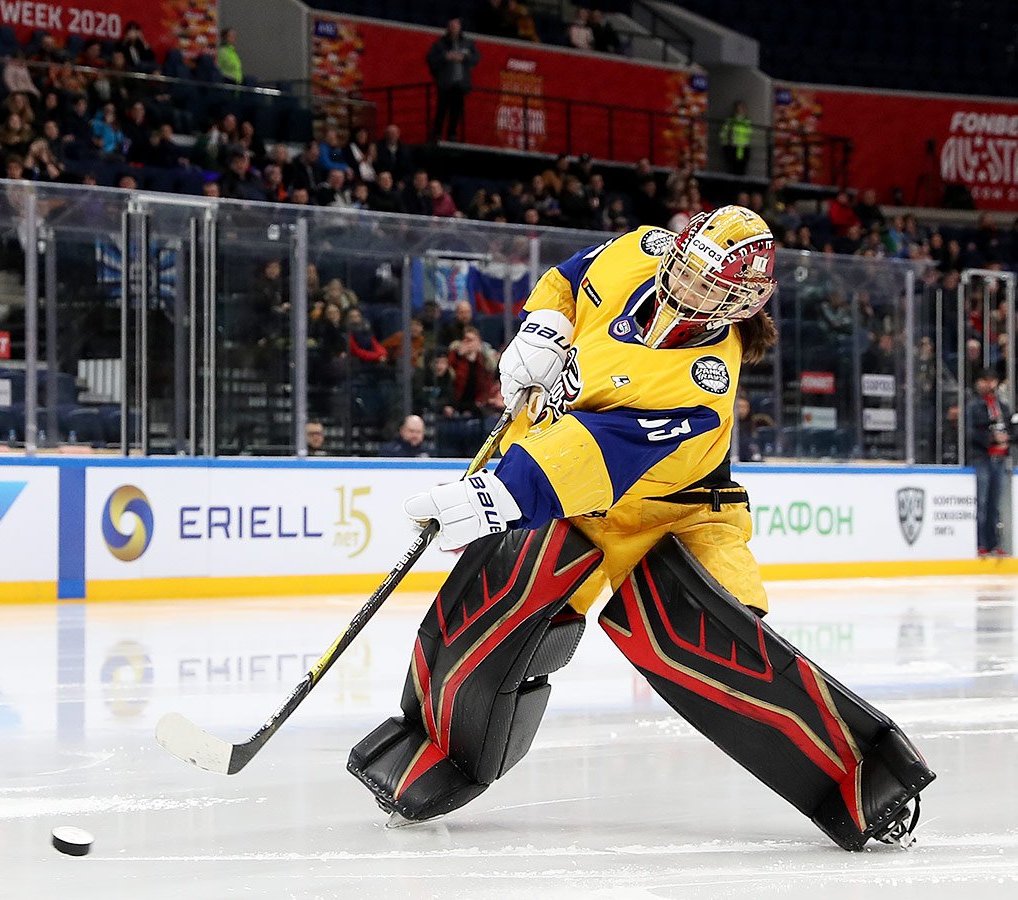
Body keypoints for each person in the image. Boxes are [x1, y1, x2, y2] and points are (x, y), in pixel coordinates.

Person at [348, 207, 934, 851]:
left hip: (672, 515)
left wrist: (498, 494)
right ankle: (430, 754)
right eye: (688, 268)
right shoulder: (644, 250)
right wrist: (544, 324)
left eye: (713, 287)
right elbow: (573, 279)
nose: (688, 287)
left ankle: (864, 781)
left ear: (742, 305)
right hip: (570, 502)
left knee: (709, 648)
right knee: (492, 605)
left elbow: (604, 454)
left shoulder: (702, 384)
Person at [967, 367, 1011, 556]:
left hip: (999, 459)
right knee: (982, 503)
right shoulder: (973, 406)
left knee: (994, 503)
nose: (989, 384)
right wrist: (991, 439)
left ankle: (993, 544)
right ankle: (981, 544)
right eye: (985, 380)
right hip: (982, 458)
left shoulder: (1003, 406)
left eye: (992, 380)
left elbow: (1011, 428)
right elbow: (970, 432)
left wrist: (1007, 438)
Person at [426, 18, 480, 142]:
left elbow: (476, 58)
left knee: (456, 111)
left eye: (455, 26)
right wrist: (446, 57)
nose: (453, 28)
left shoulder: (468, 43)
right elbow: (431, 59)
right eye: (451, 26)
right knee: (442, 110)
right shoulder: (440, 44)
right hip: (445, 83)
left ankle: (452, 135)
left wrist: (464, 58)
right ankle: (437, 134)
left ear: (460, 27)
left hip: (460, 84)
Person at [720, 101, 753, 176]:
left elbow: (749, 133)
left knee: (742, 169)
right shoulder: (731, 120)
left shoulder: (747, 121)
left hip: (744, 147)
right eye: (738, 108)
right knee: (732, 168)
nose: (740, 110)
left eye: (742, 108)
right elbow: (724, 133)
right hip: (733, 146)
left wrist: (747, 144)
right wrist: (725, 144)